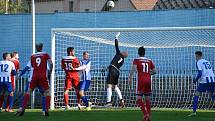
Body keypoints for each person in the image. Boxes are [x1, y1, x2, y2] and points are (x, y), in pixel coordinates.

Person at [16, 43, 53, 116]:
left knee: (28, 92)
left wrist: (20, 75)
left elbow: (30, 66)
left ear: (36, 48)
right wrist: (50, 71)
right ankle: (46, 109)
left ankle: (22, 108)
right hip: (43, 77)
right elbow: (50, 63)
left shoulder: (32, 56)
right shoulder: (45, 54)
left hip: (34, 77)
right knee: (47, 92)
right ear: (42, 47)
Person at [128, 47, 156, 121]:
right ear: (144, 53)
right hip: (148, 80)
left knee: (138, 99)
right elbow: (154, 71)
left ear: (138, 53)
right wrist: (148, 73)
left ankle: (145, 114)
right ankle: (149, 116)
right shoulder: (149, 60)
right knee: (147, 99)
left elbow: (133, 68)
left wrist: (130, 77)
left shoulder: (136, 60)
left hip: (141, 80)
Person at [188, 51, 215, 117]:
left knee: (196, 95)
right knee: (211, 95)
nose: (195, 57)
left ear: (197, 56)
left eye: (195, 56)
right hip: (213, 80)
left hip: (204, 81)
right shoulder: (207, 61)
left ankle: (194, 112)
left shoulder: (198, 62)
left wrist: (194, 81)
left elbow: (200, 73)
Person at [105, 32, 128, 108]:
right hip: (117, 72)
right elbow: (115, 64)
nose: (123, 51)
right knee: (115, 86)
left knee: (109, 85)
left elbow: (116, 45)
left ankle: (108, 102)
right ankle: (121, 99)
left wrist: (116, 37)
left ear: (123, 54)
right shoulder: (122, 61)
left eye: (124, 52)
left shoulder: (119, 54)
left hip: (113, 70)